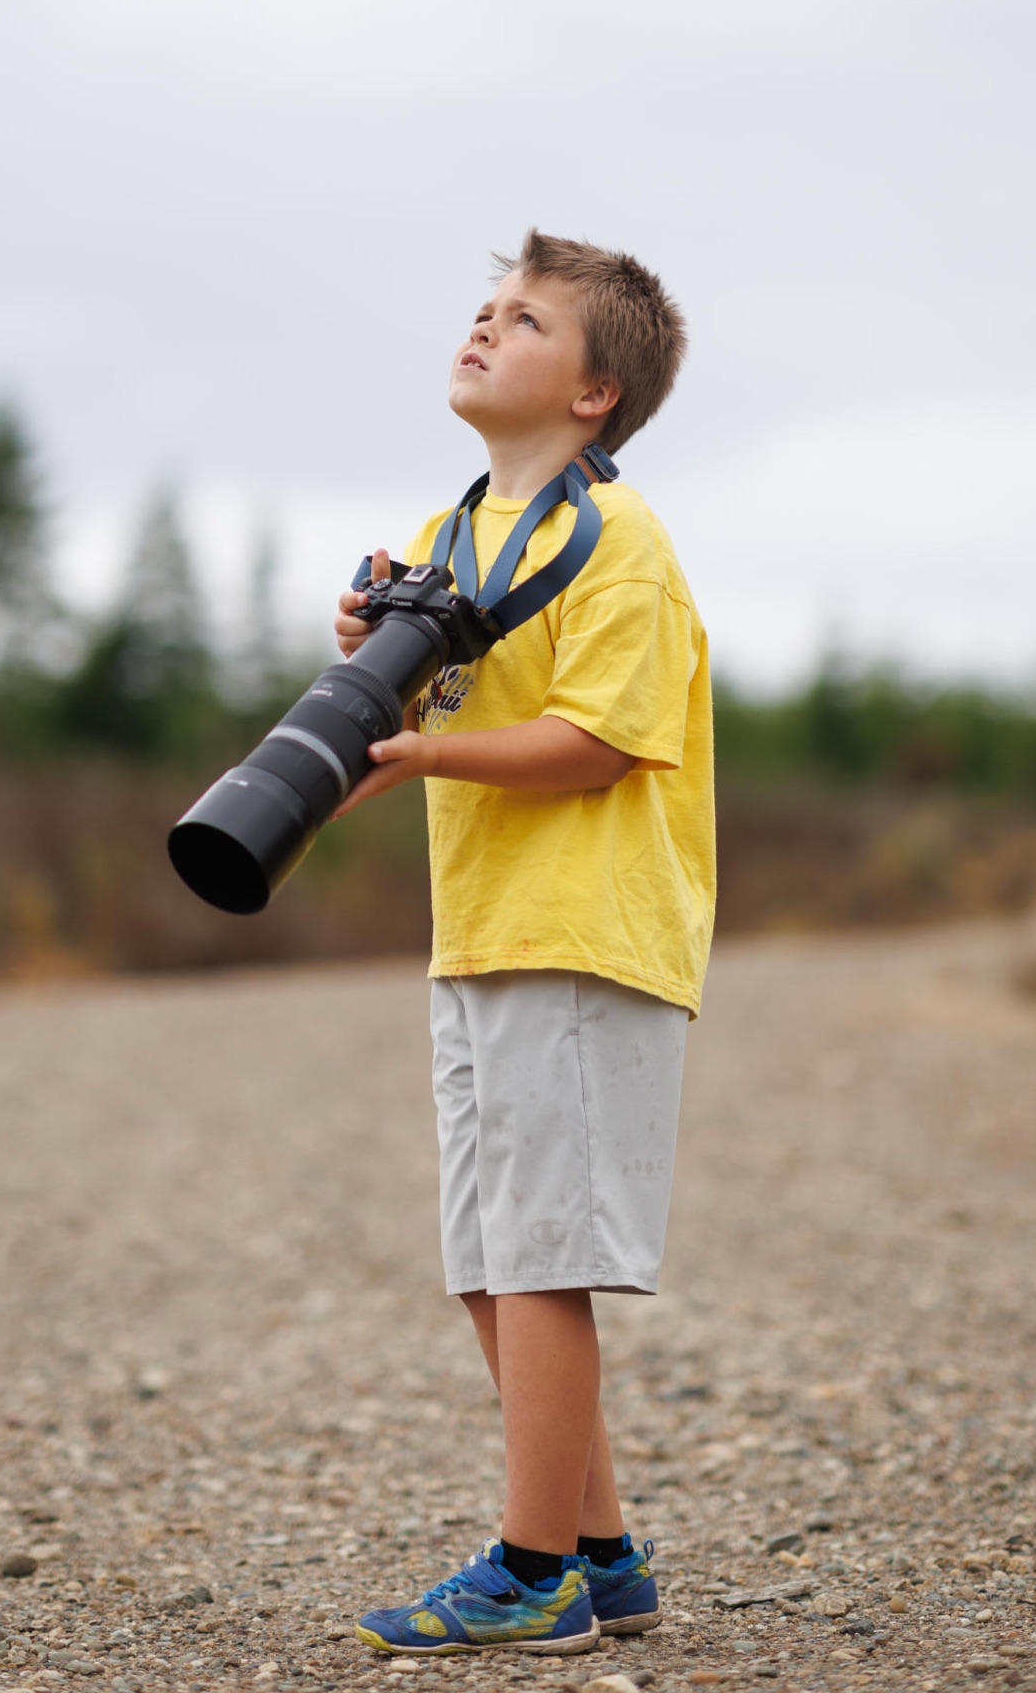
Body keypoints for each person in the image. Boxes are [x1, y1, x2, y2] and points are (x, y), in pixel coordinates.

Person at [332, 229, 715, 1658]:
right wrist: (374, 650)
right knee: (490, 1263)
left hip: (584, 938)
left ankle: (534, 1571)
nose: (485, 327)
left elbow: (598, 741)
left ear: (594, 392)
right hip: (484, 936)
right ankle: (601, 1555)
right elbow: (434, 696)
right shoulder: (449, 538)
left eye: (527, 319)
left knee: (542, 1261)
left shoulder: (620, 540)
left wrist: (423, 754)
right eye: (483, 308)